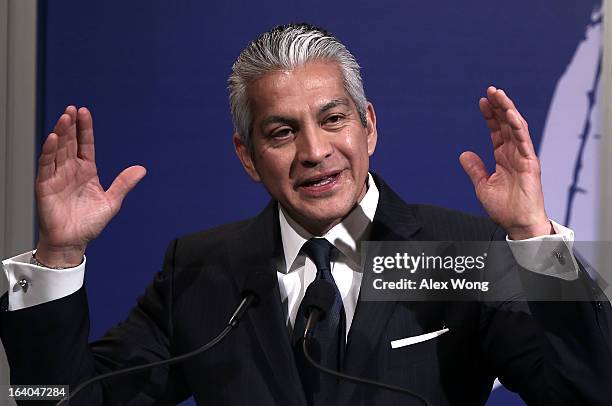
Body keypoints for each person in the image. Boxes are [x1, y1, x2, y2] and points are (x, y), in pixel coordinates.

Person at [1, 23, 611, 405]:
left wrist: (534, 236)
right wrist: (58, 257)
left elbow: (591, 391)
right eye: (282, 131)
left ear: (368, 125)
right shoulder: (202, 269)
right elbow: (53, 398)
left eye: (334, 119)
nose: (315, 152)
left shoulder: (464, 254)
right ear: (247, 156)